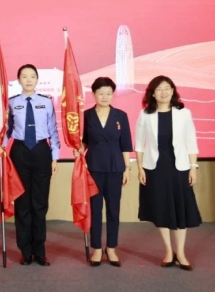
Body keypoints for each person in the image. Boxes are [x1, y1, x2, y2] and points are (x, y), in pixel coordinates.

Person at [0, 64, 59, 266]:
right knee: (22, 204)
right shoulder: (11, 103)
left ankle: (40, 252)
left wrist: (54, 157)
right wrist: (1, 146)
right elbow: (6, 129)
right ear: (19, 80)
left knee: (39, 204)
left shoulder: (46, 102)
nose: (29, 80)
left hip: (41, 151)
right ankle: (25, 251)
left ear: (37, 80)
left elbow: (53, 130)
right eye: (24, 76)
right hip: (20, 152)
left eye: (32, 76)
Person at [135, 75, 202, 271]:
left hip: (179, 168)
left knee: (181, 209)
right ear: (152, 94)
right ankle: (168, 251)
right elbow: (139, 144)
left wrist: (193, 167)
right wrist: (140, 168)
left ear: (173, 91)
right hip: (155, 169)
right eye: (159, 89)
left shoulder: (184, 113)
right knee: (160, 208)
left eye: (167, 88)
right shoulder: (145, 114)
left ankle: (180, 253)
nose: (163, 92)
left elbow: (191, 142)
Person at [75, 77, 132, 267]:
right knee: (95, 209)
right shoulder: (86, 116)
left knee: (114, 209)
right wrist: (79, 149)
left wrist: (127, 168)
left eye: (108, 93)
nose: (105, 96)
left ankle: (112, 248)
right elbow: (84, 141)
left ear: (113, 94)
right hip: (94, 167)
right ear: (94, 94)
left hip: (115, 167)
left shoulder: (120, 116)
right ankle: (97, 248)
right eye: (101, 93)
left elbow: (126, 144)